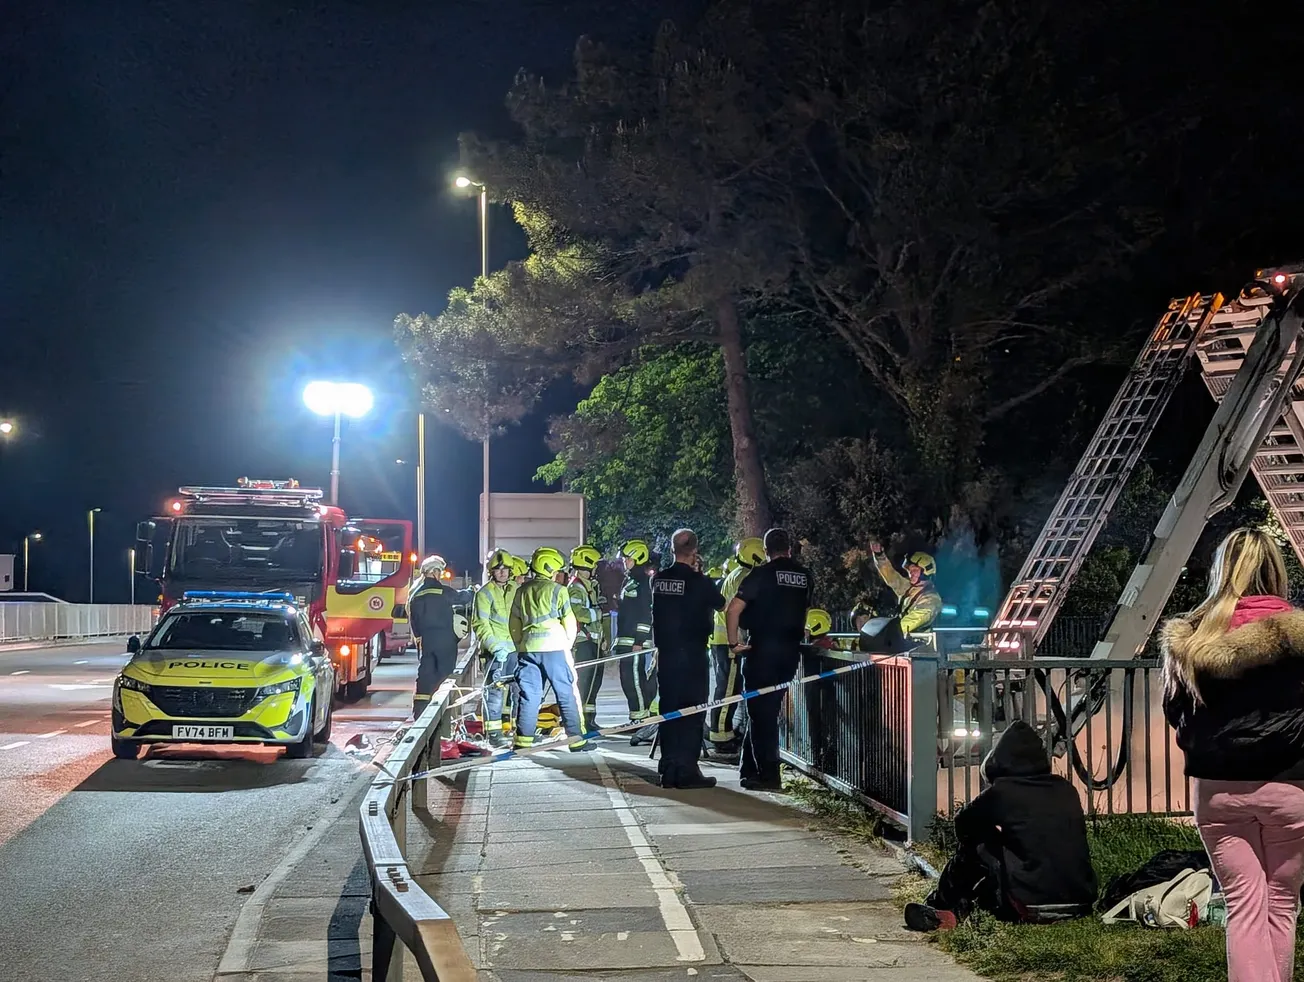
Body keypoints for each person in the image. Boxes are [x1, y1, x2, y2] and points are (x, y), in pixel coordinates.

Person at [1161, 527, 1304, 982]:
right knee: (1282, 904)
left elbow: (1175, 711)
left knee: (1243, 906)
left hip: (1218, 791)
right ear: (1276, 571)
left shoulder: (1191, 638)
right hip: (1292, 788)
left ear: (1221, 571)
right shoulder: (1298, 635)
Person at [904, 719, 1097, 932]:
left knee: (976, 843)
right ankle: (965, 905)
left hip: (1028, 903)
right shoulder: (1066, 789)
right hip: (1081, 901)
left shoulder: (1003, 792)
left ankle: (942, 905)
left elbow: (963, 825)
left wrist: (993, 835)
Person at [725, 528, 812, 792]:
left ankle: (769, 775)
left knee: (760, 715)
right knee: (766, 712)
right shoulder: (805, 576)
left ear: (766, 551)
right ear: (789, 549)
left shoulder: (761, 574)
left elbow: (733, 609)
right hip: (789, 653)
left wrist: (733, 644)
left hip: (761, 651)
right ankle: (749, 770)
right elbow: (804, 610)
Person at [652, 528, 726, 789]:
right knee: (693, 712)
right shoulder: (701, 582)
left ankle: (668, 768)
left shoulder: (658, 580)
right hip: (693, 654)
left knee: (668, 710)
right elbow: (721, 603)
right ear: (695, 551)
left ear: (672, 549)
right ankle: (687, 771)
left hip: (667, 654)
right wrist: (700, 573)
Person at [508, 546, 592, 752]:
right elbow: (569, 621)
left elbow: (514, 622)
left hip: (528, 649)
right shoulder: (558, 590)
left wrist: (521, 644)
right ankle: (576, 740)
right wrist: (567, 643)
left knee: (529, 695)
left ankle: (522, 742)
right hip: (555, 649)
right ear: (550, 569)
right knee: (565, 693)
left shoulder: (522, 591)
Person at [707, 540, 765, 757]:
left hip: (723, 640)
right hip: (729, 642)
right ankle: (721, 736)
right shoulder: (744, 577)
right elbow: (739, 612)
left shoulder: (737, 574)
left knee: (728, 687)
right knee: (728, 690)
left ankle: (724, 731)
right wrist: (739, 641)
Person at [473, 549, 520, 748]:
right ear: (491, 571)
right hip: (496, 654)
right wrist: (495, 647)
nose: (502, 572)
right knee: (494, 694)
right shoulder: (485, 593)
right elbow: (480, 624)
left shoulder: (516, 590)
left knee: (520, 691)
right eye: (498, 569)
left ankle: (520, 731)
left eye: (505, 569)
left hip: (516, 651)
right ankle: (493, 734)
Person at [407, 555, 462, 716]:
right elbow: (462, 598)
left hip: (426, 642)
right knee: (445, 676)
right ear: (435, 572)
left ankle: (420, 712)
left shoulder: (415, 594)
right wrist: (474, 591)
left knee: (426, 675)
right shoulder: (443, 591)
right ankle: (444, 714)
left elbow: (413, 622)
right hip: (445, 641)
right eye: (439, 572)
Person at [615, 538, 658, 729]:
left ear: (638, 558)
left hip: (635, 642)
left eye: (628, 559)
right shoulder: (630, 581)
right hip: (626, 640)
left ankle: (641, 719)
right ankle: (636, 717)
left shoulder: (643, 582)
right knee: (628, 680)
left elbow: (645, 613)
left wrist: (639, 641)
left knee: (634, 680)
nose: (625, 562)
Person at [568, 543, 606, 732]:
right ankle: (581, 722)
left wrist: (602, 638)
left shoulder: (590, 586)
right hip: (583, 643)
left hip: (594, 642)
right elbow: (578, 613)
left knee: (594, 683)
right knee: (584, 683)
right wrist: (597, 613)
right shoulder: (576, 588)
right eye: (594, 565)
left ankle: (589, 720)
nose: (596, 568)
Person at [869, 542, 942, 635]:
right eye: (910, 570)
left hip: (920, 641)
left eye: (915, 570)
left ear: (926, 572)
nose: (911, 573)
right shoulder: (909, 588)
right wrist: (879, 556)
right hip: (903, 638)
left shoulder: (932, 599)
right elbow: (891, 576)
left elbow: (915, 618)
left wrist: (890, 632)